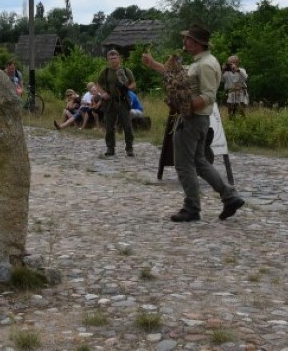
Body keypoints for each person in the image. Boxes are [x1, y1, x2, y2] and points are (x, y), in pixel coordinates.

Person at [142, 24, 245, 222]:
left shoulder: (205, 64)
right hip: (198, 120)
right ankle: (230, 197)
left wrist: (186, 108)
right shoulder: (202, 62)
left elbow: (208, 96)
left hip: (192, 120)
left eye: (188, 39)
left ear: (196, 43)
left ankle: (192, 208)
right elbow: (177, 77)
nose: (184, 42)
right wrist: (154, 64)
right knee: (199, 161)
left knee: (183, 165)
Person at [94, 50, 136, 158]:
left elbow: (134, 84)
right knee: (109, 126)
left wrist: (126, 88)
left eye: (115, 58)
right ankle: (110, 148)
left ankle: (129, 149)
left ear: (119, 58)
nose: (113, 60)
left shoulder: (126, 71)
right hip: (110, 102)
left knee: (127, 126)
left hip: (123, 101)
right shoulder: (105, 72)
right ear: (108, 60)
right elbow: (98, 84)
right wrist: (103, 93)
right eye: (111, 58)